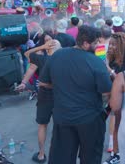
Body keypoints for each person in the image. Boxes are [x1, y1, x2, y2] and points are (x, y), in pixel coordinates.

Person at [40, 25, 111, 164]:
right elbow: (106, 91)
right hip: (90, 119)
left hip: (63, 118)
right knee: (90, 158)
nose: (98, 45)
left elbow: (43, 82)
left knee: (62, 158)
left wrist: (61, 86)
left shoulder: (57, 55)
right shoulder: (97, 62)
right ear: (85, 44)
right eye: (96, 42)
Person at [16, 36, 61, 163]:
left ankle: (41, 154)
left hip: (45, 96)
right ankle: (58, 154)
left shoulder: (41, 58)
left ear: (48, 48)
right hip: (60, 96)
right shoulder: (63, 59)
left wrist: (42, 47)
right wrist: (24, 82)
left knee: (42, 125)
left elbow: (26, 55)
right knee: (60, 126)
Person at [104, 32, 125, 164]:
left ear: (120, 46)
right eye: (110, 44)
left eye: (114, 44)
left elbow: (123, 81)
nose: (111, 47)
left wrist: (109, 69)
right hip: (109, 95)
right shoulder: (111, 58)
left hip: (120, 97)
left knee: (118, 124)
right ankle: (115, 151)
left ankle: (117, 152)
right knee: (112, 123)